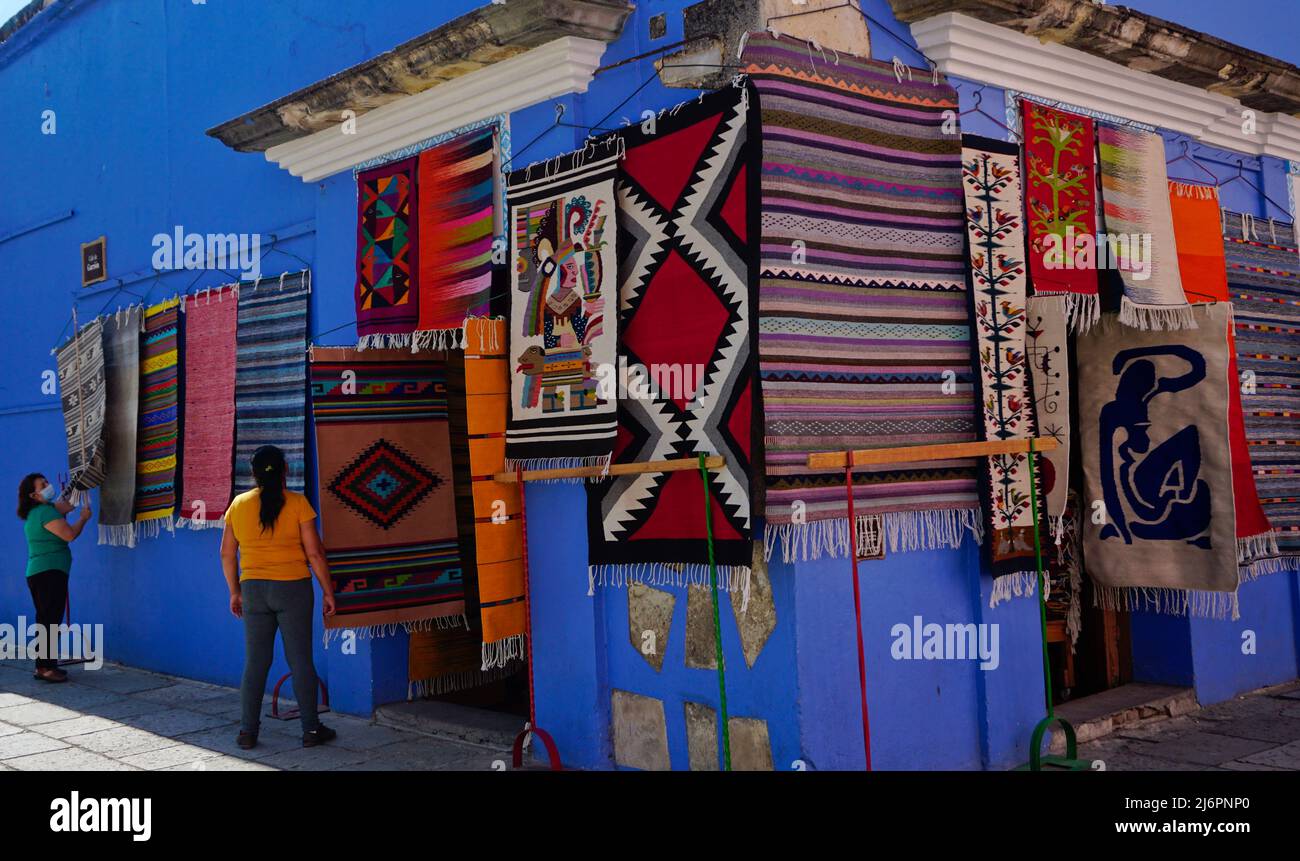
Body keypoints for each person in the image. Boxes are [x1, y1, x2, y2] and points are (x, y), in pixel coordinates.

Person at [220, 445, 337, 750]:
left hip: (253, 590)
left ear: (253, 473)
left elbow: (226, 553)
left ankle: (248, 731)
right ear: (286, 470)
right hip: (293, 588)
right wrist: (328, 590)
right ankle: (311, 730)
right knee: (300, 660)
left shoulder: (238, 504)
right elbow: (314, 552)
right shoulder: (298, 504)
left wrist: (235, 590)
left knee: (256, 662)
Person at [16, 473, 91, 682]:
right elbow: (69, 535)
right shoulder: (43, 513)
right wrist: (83, 519)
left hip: (42, 573)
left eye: (47, 482)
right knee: (50, 621)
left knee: (46, 620)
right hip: (49, 573)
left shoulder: (40, 511)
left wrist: (72, 493)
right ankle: (46, 668)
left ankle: (45, 665)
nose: (48, 486)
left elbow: (63, 507)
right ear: (34, 494)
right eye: (43, 485)